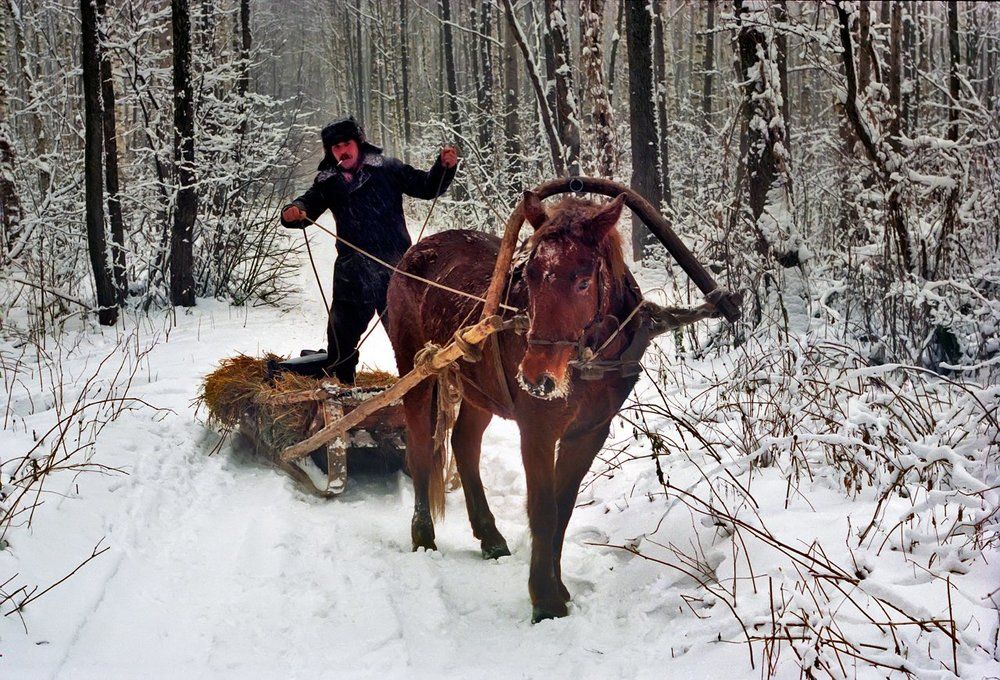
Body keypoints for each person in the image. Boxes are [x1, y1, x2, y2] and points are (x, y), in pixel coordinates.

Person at [281, 116, 458, 384]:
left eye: (346, 143)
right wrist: (294, 211)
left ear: (359, 143)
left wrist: (443, 169)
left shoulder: (388, 169)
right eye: (336, 147)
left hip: (395, 269)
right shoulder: (328, 181)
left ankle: (421, 393)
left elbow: (425, 186)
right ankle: (342, 391)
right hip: (352, 274)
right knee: (340, 342)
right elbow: (308, 203)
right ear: (330, 152)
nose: (342, 150)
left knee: (409, 339)